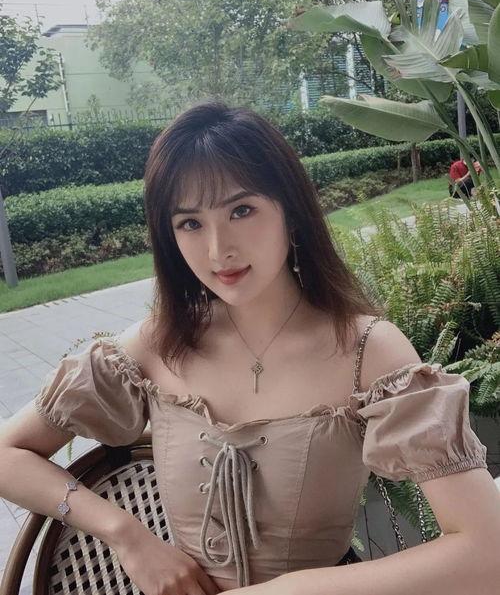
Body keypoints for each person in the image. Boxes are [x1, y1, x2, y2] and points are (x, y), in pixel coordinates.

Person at [1, 100, 499, 595]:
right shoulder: (156, 344)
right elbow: (7, 453)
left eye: (241, 210)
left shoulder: (367, 351)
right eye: (190, 223)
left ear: (291, 212)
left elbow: (486, 554)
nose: (219, 250)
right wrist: (125, 534)